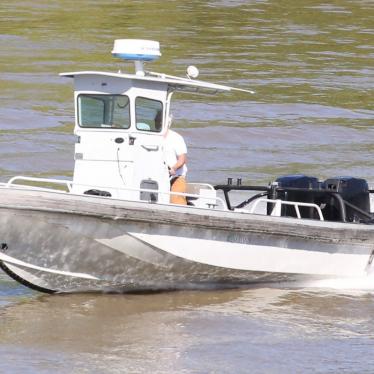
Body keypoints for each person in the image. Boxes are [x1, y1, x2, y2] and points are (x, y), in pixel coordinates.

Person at [163, 115, 188, 205]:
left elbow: (182, 159)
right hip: (159, 175)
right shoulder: (153, 137)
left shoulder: (176, 138)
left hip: (176, 175)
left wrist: (173, 168)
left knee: (176, 200)